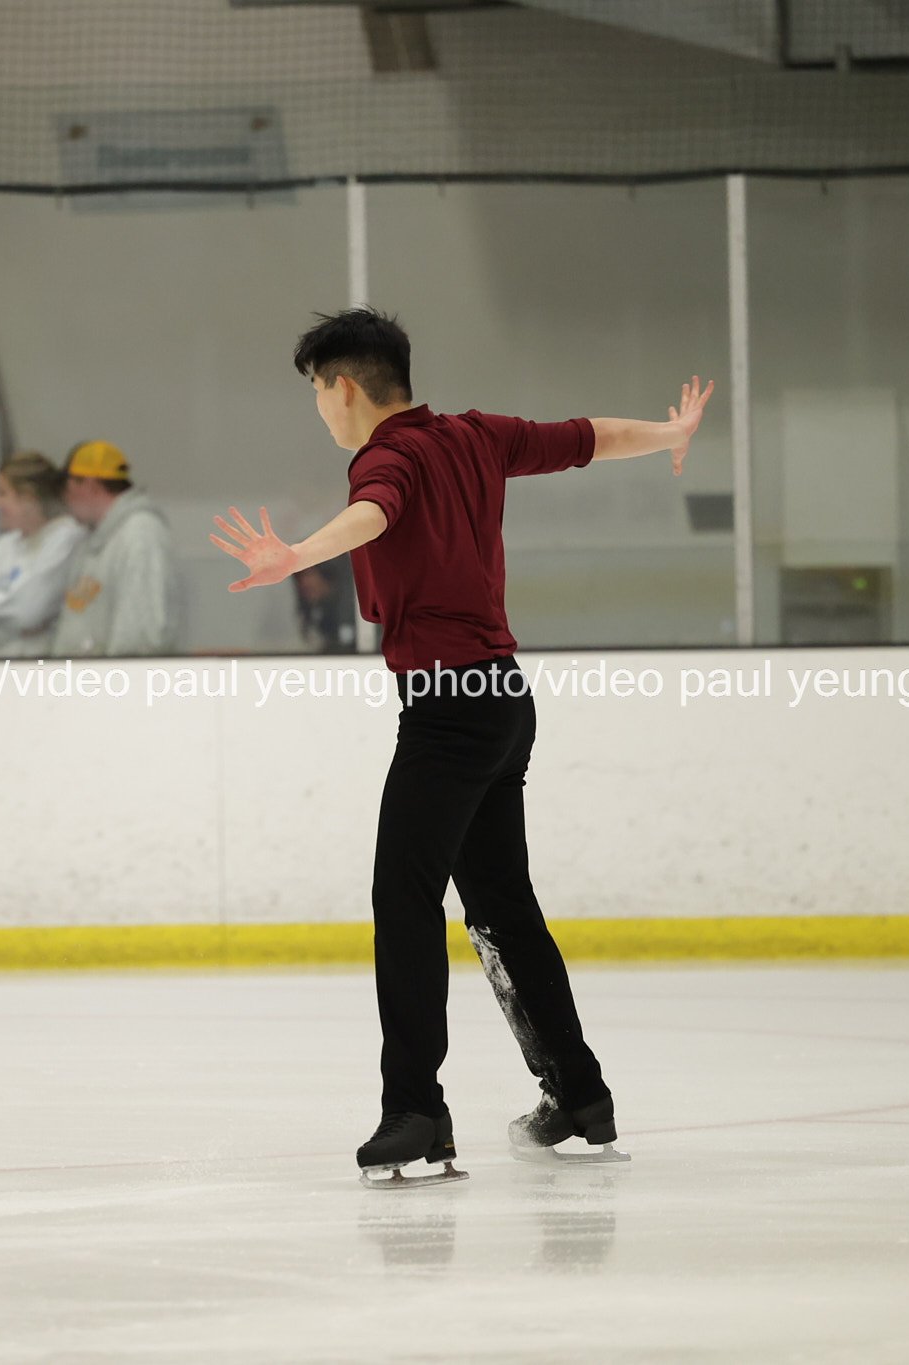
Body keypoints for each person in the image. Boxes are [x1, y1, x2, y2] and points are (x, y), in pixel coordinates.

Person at [208, 308, 713, 1181]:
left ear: (343, 386)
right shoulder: (477, 436)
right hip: (502, 697)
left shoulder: (387, 457)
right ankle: (578, 1094)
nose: (320, 411)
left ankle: (415, 1110)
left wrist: (297, 555)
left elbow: (374, 514)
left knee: (404, 897)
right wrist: (671, 433)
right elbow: (587, 437)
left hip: (447, 709)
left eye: (317, 393)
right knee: (502, 906)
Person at [47, 440, 182, 656]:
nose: (65, 499)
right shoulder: (91, 541)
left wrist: (119, 675)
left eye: (68, 488)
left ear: (90, 486)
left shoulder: (142, 536)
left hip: (116, 676)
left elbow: (140, 634)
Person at [0, 452, 85, 656]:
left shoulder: (66, 539)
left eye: (2, 493)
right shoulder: (5, 544)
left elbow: (28, 611)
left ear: (28, 499)